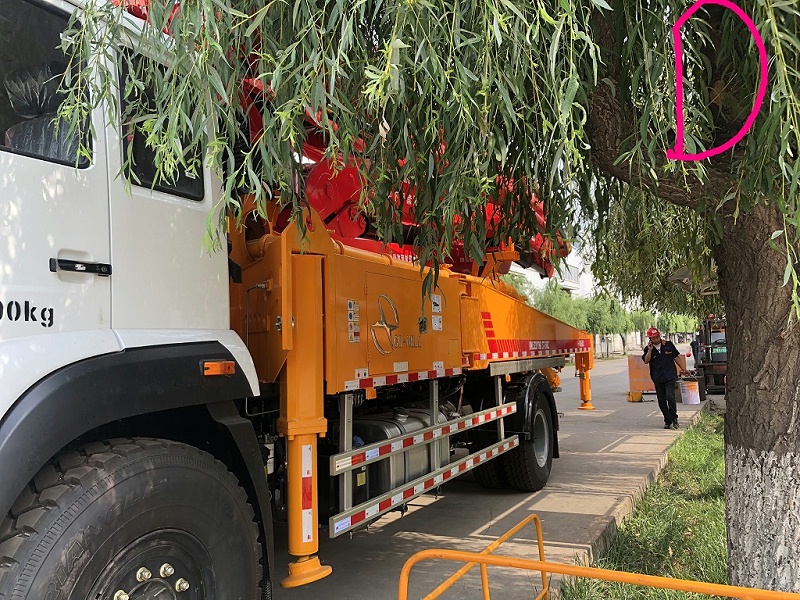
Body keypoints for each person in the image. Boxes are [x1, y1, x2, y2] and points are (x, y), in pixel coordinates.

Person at [642, 327, 688, 429]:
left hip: (670, 376)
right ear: (650, 339)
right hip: (658, 378)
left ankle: (674, 419)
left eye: (657, 337)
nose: (656, 340)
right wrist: (649, 351)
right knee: (662, 400)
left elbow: (676, 357)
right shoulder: (648, 349)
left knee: (670, 397)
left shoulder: (668, 345)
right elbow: (646, 361)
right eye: (653, 338)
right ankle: (667, 420)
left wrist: (683, 369)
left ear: (659, 335)